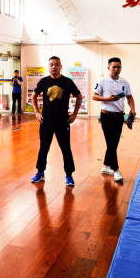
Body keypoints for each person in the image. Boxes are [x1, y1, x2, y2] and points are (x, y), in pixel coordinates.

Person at [31, 56, 82, 187]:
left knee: (66, 148)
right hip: (46, 121)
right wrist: (36, 112)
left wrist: (74, 114)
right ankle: (40, 172)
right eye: (51, 65)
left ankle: (69, 174)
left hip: (63, 122)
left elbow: (79, 97)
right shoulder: (43, 81)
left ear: (60, 67)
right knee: (44, 148)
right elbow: (33, 96)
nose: (54, 67)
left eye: (57, 64)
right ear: (48, 67)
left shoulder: (67, 82)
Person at [93, 57, 135, 183]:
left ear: (121, 68)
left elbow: (129, 97)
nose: (116, 69)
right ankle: (116, 170)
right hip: (106, 116)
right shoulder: (102, 81)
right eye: (114, 67)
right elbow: (94, 96)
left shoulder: (125, 82)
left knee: (113, 144)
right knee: (111, 143)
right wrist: (106, 99)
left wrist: (132, 109)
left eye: (118, 67)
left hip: (119, 117)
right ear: (108, 68)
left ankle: (106, 166)